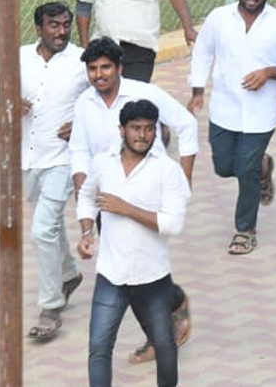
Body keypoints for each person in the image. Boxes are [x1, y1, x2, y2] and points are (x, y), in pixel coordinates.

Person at [189, 0, 276, 255]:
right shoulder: (219, 19)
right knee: (223, 167)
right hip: (224, 110)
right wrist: (197, 90)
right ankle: (263, 166)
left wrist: (270, 72)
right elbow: (203, 53)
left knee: (245, 170)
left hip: (260, 115)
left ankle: (245, 230)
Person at [77, 99, 190, 387]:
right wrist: (87, 232)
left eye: (149, 129)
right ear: (122, 130)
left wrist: (125, 208)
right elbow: (87, 196)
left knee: (164, 345)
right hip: (111, 275)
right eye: (136, 128)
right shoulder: (103, 163)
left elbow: (173, 224)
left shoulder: (167, 171)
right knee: (99, 349)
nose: (142, 135)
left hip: (152, 277)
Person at [0, 4, 89, 340]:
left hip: (63, 159)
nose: (62, 31)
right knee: (48, 225)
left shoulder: (81, 61)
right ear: (38, 28)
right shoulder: (18, 57)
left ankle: (51, 307)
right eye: (54, 25)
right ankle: (68, 274)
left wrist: (79, 123)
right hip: (27, 159)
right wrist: (9, 100)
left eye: (65, 25)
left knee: (40, 230)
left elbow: (105, 95)